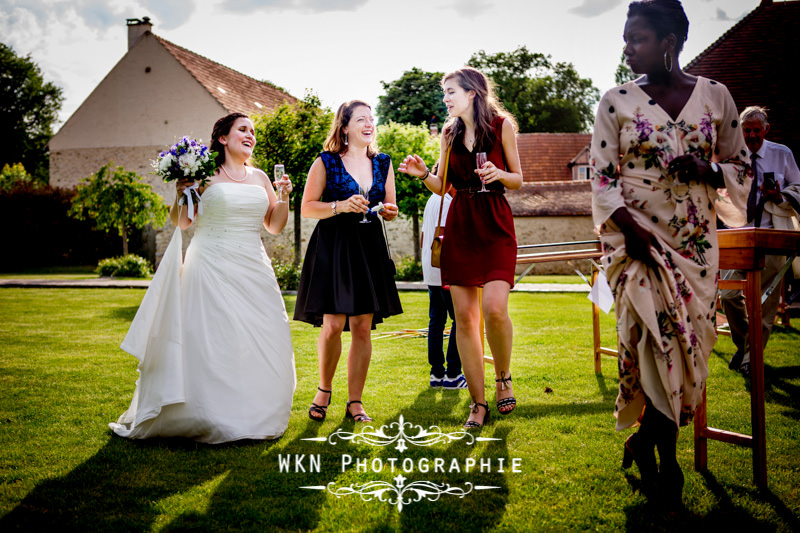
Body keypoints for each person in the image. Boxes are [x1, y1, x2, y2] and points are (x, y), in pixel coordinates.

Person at [590, 0, 750, 507]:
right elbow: (602, 180)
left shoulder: (715, 97)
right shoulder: (614, 102)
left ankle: (646, 441)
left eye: (636, 37)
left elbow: (742, 166)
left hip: (695, 247)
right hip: (635, 244)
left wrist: (709, 172)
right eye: (625, 36)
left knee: (690, 346)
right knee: (649, 344)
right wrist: (629, 228)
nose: (627, 46)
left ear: (669, 42)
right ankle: (668, 460)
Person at [110, 112, 296, 443]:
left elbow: (274, 226)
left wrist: (283, 198)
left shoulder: (261, 177)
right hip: (210, 264)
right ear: (223, 138)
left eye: (253, 131)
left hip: (253, 266)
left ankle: (255, 412)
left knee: (265, 333)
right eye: (243, 129)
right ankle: (207, 413)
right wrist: (182, 192)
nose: (250, 135)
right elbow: (183, 223)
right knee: (214, 339)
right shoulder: (205, 174)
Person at [400, 67, 523, 428]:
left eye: (450, 91)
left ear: (472, 93)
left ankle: (503, 378)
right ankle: (478, 403)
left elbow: (518, 179)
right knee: (466, 322)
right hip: (462, 225)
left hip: (496, 224)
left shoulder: (502, 126)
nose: (445, 98)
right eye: (444, 93)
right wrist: (424, 173)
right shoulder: (449, 133)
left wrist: (499, 175)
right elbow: (441, 187)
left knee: (495, 310)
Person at [294, 100, 402, 423]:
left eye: (372, 119)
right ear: (344, 127)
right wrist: (340, 206)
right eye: (361, 119)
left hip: (369, 248)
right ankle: (324, 389)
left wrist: (389, 211)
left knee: (362, 327)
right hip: (334, 246)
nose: (369, 124)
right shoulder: (325, 161)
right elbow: (307, 208)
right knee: (333, 324)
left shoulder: (383, 162)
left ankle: (355, 402)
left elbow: (391, 206)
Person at [719, 106, 800, 377]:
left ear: (766, 129)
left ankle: (750, 361)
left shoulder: (782, 153)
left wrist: (781, 196)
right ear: (740, 131)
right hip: (739, 235)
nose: (752, 134)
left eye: (756, 129)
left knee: (765, 306)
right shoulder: (732, 156)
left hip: (772, 236)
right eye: (747, 130)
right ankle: (744, 346)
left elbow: (799, 187)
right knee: (728, 294)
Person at [421, 185, 466, 389]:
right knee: (459, 320)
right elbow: (447, 236)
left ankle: (436, 373)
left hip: (432, 273)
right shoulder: (446, 202)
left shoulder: (431, 200)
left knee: (436, 323)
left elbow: (424, 239)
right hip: (445, 273)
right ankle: (453, 373)